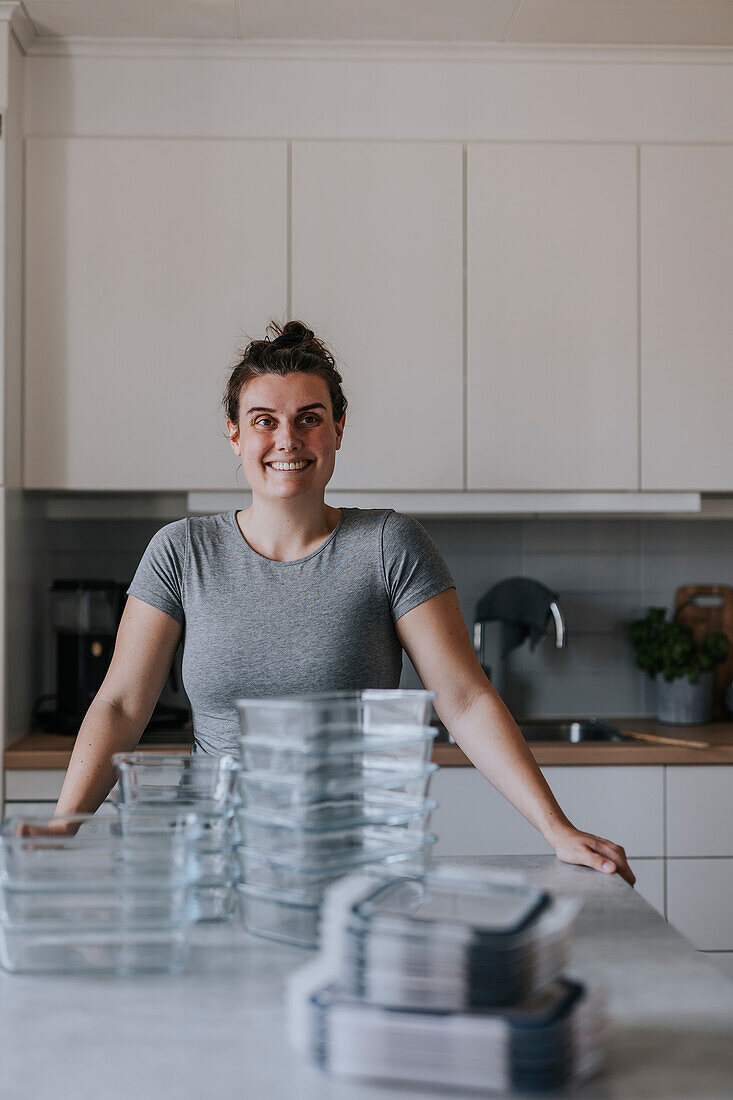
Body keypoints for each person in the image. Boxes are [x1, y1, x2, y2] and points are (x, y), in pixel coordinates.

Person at [51, 320, 634, 887]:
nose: (288, 439)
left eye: (310, 419)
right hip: (219, 864)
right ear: (234, 434)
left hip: (356, 866)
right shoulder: (182, 551)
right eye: (264, 421)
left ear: (337, 429)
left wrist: (556, 828)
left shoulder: (389, 545)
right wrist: (62, 828)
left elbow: (464, 698)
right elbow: (122, 707)